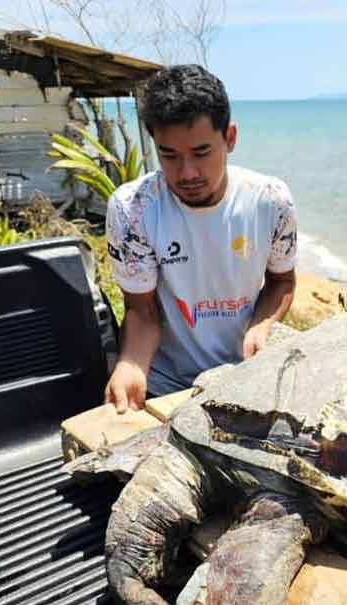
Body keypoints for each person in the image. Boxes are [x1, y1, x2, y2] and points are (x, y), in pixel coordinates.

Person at [104, 64, 298, 411]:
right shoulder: (133, 208)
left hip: (245, 376)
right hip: (167, 385)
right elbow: (141, 311)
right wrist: (130, 366)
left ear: (230, 138)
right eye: (170, 156)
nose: (187, 173)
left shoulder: (271, 201)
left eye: (201, 152)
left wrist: (262, 326)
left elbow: (281, 282)